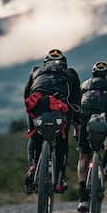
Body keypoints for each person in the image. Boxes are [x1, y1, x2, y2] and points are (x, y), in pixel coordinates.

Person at [23, 48, 81, 194]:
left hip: (37, 107)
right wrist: (77, 121)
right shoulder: (71, 73)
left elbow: (26, 94)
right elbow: (76, 100)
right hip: (60, 108)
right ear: (64, 64)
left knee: (34, 134)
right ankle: (60, 180)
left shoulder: (36, 70)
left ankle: (32, 166)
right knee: (62, 142)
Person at [76, 60, 107, 213]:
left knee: (84, 156)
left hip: (85, 117)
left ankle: (83, 198)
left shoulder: (84, 85)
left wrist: (77, 129)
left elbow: (77, 108)